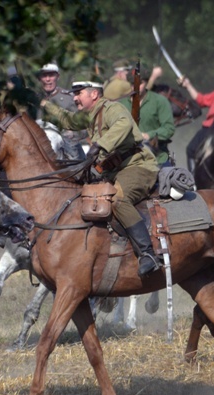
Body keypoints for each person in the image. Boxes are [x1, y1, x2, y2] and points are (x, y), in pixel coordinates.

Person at [40, 81, 162, 277]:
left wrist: (100, 145)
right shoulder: (89, 116)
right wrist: (45, 105)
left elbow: (124, 123)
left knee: (119, 200)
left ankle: (148, 254)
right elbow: (67, 120)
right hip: (111, 171)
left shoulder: (112, 108)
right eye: (74, 94)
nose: (74, 98)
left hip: (137, 166)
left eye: (79, 93)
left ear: (94, 94)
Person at [119, 66, 176, 164]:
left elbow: (169, 128)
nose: (136, 87)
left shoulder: (160, 101)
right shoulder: (121, 104)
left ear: (146, 82)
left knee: (169, 177)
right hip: (127, 160)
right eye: (133, 84)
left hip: (157, 158)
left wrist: (148, 135)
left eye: (139, 83)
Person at [36, 62, 88, 151]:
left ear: (58, 77)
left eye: (51, 75)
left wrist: (72, 134)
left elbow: (84, 126)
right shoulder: (33, 99)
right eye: (44, 76)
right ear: (39, 78)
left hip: (67, 148)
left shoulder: (70, 98)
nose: (48, 79)